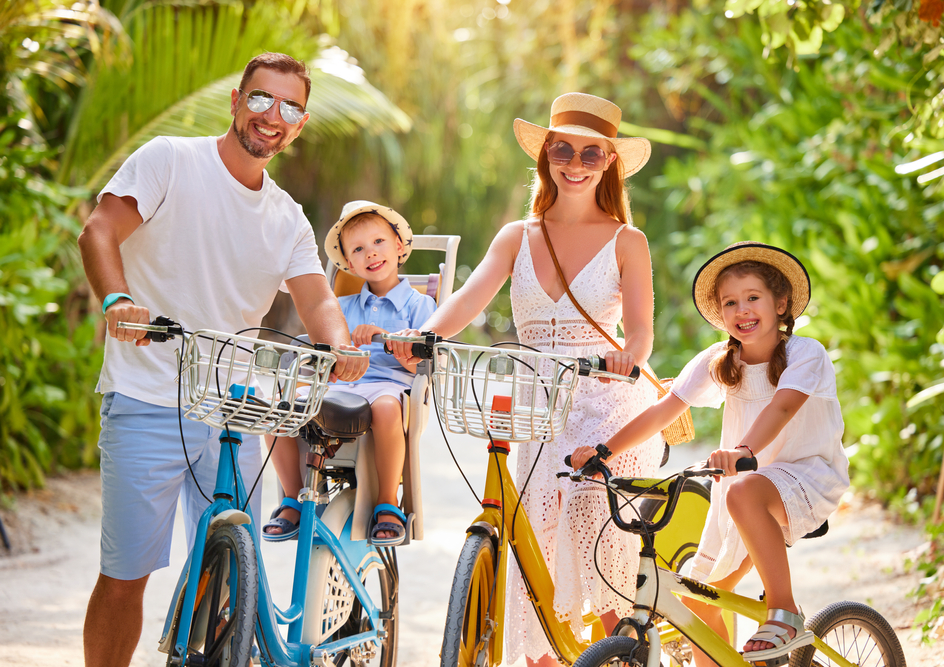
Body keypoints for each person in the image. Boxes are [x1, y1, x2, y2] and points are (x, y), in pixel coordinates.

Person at [76, 52, 368, 667]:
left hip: (232, 408)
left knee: (232, 575)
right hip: (146, 398)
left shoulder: (287, 217)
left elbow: (318, 303)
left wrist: (338, 344)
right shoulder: (170, 161)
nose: (272, 115)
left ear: (301, 123)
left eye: (290, 106)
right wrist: (118, 299)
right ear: (236, 102)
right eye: (261, 98)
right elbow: (98, 231)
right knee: (126, 574)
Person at [389, 92, 662, 665]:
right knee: (533, 538)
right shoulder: (518, 235)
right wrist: (426, 337)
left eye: (592, 153)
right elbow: (468, 298)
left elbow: (640, 334)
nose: (576, 163)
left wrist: (627, 359)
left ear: (609, 161)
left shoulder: (626, 241)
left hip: (607, 400)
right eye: (563, 148)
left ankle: (623, 653)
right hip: (538, 401)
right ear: (546, 156)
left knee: (595, 531)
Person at [572, 241, 850, 665]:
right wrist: (604, 453)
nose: (742, 310)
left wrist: (742, 450)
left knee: (742, 493)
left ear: (781, 302)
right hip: (745, 489)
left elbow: (783, 406)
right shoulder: (720, 361)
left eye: (753, 297)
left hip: (805, 475)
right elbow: (664, 410)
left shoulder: (804, 354)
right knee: (696, 599)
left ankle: (784, 611)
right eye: (730, 303)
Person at [263, 201, 436, 546]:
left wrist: (388, 344)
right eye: (358, 249)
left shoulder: (420, 305)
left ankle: (387, 501)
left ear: (399, 247)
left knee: (386, 408)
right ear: (350, 264)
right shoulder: (339, 308)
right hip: (343, 387)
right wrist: (328, 364)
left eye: (379, 242)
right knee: (278, 406)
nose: (371, 253)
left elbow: (423, 367)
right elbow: (323, 356)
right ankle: (292, 497)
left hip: (390, 387)